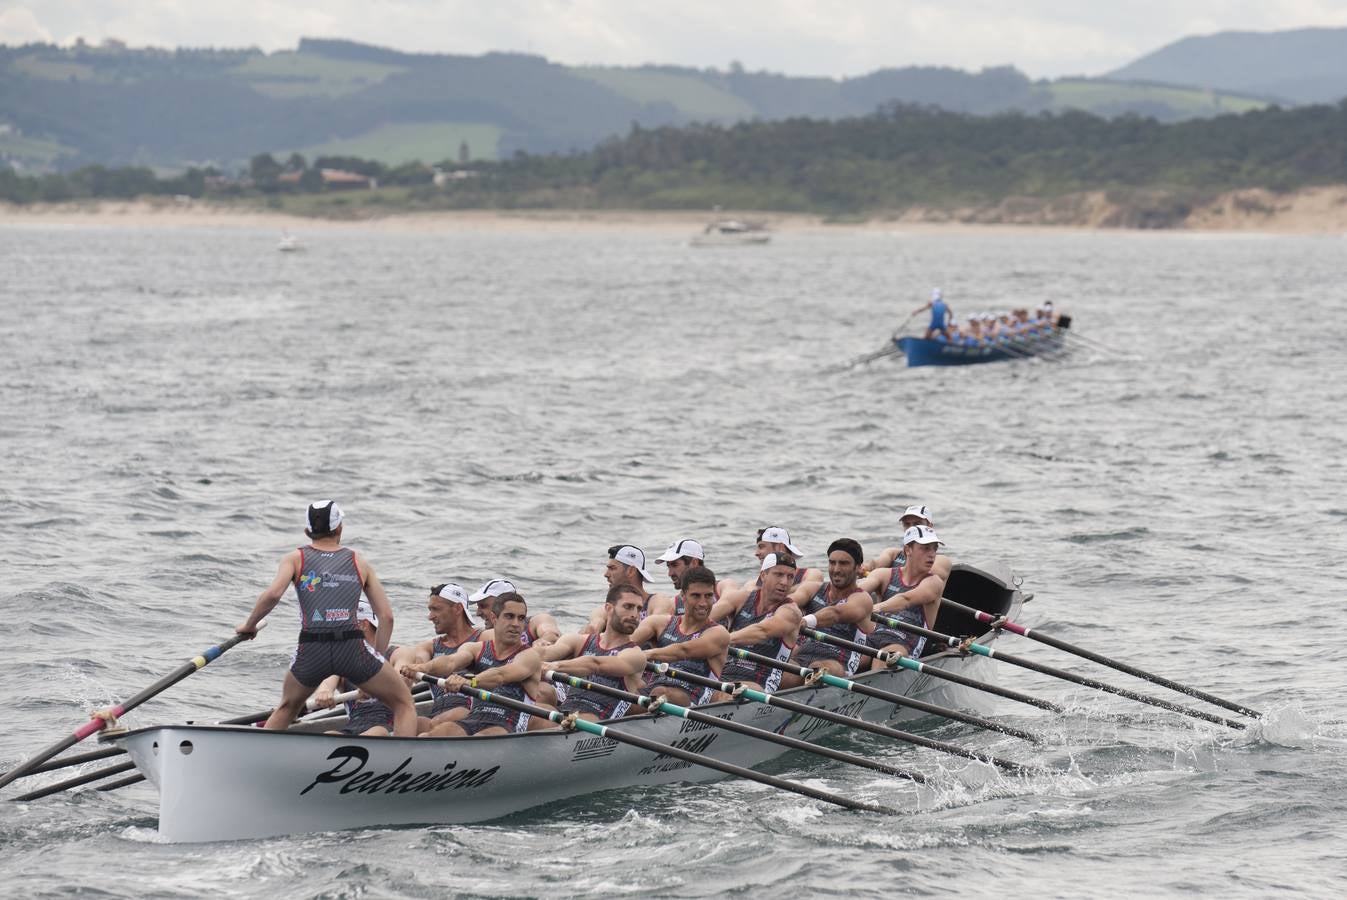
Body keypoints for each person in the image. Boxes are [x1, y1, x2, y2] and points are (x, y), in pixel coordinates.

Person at [236, 500, 416, 736]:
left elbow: (272, 595)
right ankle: (401, 764)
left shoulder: (294, 558)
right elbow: (386, 616)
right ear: (339, 527)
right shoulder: (358, 561)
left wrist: (249, 626)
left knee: (287, 707)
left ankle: (254, 757)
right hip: (352, 648)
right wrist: (376, 660)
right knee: (403, 704)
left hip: (312, 647)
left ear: (307, 531)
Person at [402, 591, 549, 736]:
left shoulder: (529, 656)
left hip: (508, 725)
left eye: (521, 618)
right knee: (435, 734)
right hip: (474, 718)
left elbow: (500, 675)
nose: (516, 624)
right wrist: (423, 667)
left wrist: (469, 681)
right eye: (509, 616)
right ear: (494, 618)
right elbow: (450, 662)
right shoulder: (476, 649)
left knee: (481, 737)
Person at [542, 584, 647, 721]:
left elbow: (594, 664)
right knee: (538, 707)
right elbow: (544, 655)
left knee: (584, 718)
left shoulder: (635, 655)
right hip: (567, 713)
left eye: (639, 609)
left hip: (598, 720)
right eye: (628, 607)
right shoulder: (578, 640)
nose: (635, 615)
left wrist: (554, 666)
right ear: (609, 609)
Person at [631, 565, 730, 706]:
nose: (703, 603)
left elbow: (683, 650)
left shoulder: (718, 633)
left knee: (660, 692)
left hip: (693, 697)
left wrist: (645, 654)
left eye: (708, 596)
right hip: (655, 692)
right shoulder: (659, 623)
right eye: (696, 596)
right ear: (682, 596)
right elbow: (624, 644)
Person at [782, 539, 873, 687]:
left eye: (843, 564)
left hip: (838, 662)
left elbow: (836, 613)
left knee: (817, 669)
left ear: (858, 568)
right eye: (832, 563)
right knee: (773, 670)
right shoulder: (813, 589)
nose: (836, 569)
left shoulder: (862, 598)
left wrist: (806, 621)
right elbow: (788, 603)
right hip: (802, 658)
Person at [394, 582, 482, 733]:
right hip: (436, 717)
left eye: (436, 609)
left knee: (438, 723)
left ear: (457, 609)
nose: (430, 617)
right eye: (430, 610)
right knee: (408, 722)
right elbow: (419, 661)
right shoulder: (429, 647)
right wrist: (411, 670)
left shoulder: (483, 639)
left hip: (470, 713)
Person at [711, 552, 803, 692]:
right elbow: (704, 620)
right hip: (723, 677)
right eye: (778, 574)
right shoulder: (740, 599)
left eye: (790, 577)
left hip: (758, 685)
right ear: (763, 575)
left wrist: (721, 640)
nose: (784, 582)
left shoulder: (790, 612)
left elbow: (762, 631)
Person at [861, 526, 946, 671]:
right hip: (873, 634)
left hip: (904, 642)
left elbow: (906, 599)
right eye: (925, 548)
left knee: (882, 658)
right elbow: (857, 591)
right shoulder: (884, 574)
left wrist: (878, 608)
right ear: (908, 550)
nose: (932, 555)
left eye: (934, 548)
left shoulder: (933, 582)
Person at [311, 600, 399, 736]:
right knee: (329, 735)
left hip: (388, 726)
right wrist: (324, 692)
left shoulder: (395, 654)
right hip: (354, 726)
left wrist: (376, 688)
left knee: (377, 732)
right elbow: (329, 680)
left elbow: (402, 675)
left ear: (362, 625)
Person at [582, 544, 673, 632]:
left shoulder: (657, 602)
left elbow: (657, 625)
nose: (606, 574)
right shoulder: (605, 609)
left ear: (630, 571)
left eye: (612, 568)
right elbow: (593, 628)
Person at [864, 505, 952, 582]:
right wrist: (866, 567)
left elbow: (931, 577)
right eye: (907, 524)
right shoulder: (892, 554)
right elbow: (875, 563)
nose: (911, 528)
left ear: (930, 526)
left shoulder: (940, 561)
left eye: (917, 523)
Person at [471, 578, 560, 649]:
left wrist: (542, 641)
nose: (478, 613)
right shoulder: (482, 636)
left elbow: (551, 634)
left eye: (483, 606)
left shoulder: (535, 622)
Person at [747, 526, 823, 601]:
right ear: (763, 575)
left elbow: (809, 588)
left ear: (780, 547)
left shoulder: (810, 575)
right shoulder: (753, 584)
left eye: (761, 547)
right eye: (778, 575)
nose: (756, 553)